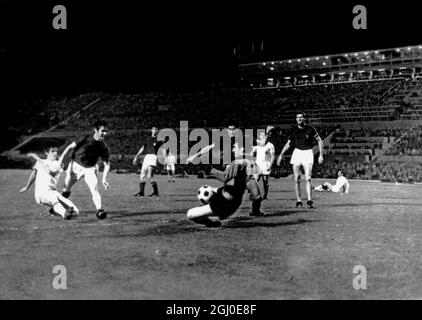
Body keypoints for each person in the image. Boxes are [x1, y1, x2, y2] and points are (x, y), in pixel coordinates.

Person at [187, 143, 263, 228]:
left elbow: (225, 177)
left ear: (242, 149)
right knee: (213, 190)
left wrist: (205, 166)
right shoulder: (248, 163)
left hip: (224, 203)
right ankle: (210, 214)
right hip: (232, 203)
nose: (233, 149)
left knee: (190, 214)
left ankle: (211, 221)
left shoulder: (237, 163)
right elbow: (254, 178)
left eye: (235, 147)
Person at [60, 120, 110, 219]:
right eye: (103, 131)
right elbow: (69, 147)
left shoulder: (103, 146)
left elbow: (107, 163)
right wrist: (60, 161)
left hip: (90, 169)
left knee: (94, 188)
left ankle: (99, 211)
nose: (105, 133)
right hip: (75, 166)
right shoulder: (85, 137)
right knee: (66, 190)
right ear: (95, 130)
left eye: (106, 131)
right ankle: (58, 208)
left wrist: (104, 178)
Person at [276, 112, 323, 209]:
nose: (299, 119)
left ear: (304, 118)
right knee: (296, 179)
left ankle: (309, 200)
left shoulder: (310, 129)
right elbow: (288, 144)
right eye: (297, 117)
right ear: (296, 119)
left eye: (301, 117)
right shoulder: (293, 130)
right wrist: (281, 155)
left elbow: (320, 141)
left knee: (308, 178)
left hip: (307, 152)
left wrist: (321, 155)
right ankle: (299, 201)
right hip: (297, 152)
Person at [19, 147, 79, 220]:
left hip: (53, 192)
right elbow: (34, 174)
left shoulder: (58, 164)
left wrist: (36, 158)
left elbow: (49, 171)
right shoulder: (40, 162)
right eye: (52, 151)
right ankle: (64, 214)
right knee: (54, 199)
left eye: (56, 151)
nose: (55, 153)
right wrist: (27, 187)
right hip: (41, 192)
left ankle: (58, 212)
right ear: (47, 153)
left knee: (76, 211)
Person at [133, 126, 163, 197]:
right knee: (142, 175)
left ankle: (156, 192)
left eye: (156, 129)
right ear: (151, 130)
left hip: (153, 157)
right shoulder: (148, 139)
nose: (155, 130)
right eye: (154, 129)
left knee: (150, 176)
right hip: (147, 157)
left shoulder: (159, 140)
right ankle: (141, 192)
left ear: (157, 131)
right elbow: (143, 148)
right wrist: (136, 156)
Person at [250, 131, 275, 200]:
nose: (263, 137)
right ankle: (253, 194)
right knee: (255, 180)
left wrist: (270, 165)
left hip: (266, 165)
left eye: (265, 136)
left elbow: (273, 156)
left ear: (267, 137)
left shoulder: (270, 145)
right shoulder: (257, 144)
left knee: (265, 182)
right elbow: (252, 153)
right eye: (261, 136)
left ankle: (265, 195)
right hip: (257, 165)